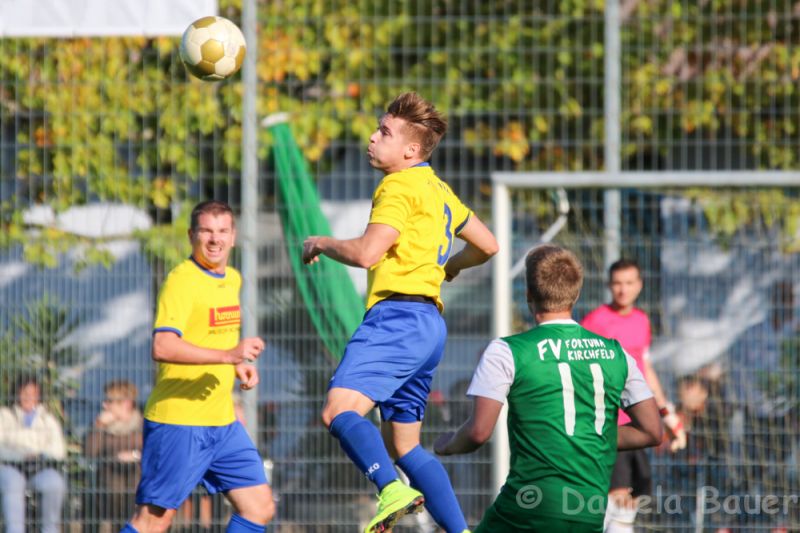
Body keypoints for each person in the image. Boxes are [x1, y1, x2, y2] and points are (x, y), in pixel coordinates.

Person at [303, 92, 498, 533]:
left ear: (410, 150)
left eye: (384, 132)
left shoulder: (397, 186)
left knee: (337, 410)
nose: (373, 138)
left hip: (395, 319)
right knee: (404, 445)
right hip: (429, 326)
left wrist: (321, 242)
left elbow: (367, 253)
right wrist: (450, 267)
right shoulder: (438, 189)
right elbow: (488, 245)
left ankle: (390, 490)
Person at [434, 244, 663, 532]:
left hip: (528, 507)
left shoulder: (507, 351)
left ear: (529, 294)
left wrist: (447, 444)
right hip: (588, 510)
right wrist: (584, 436)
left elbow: (478, 432)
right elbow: (652, 431)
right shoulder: (617, 354)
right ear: (576, 294)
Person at [121, 200, 274, 533]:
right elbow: (162, 346)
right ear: (192, 235)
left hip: (222, 422)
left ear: (234, 236)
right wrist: (228, 356)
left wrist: (236, 365)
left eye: (222, 231)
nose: (215, 239)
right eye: (206, 231)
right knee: (153, 521)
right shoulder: (181, 281)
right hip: (179, 422)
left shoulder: (232, 279)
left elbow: (211, 336)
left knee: (259, 507)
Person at [580, 258, 686, 533]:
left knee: (632, 499)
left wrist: (667, 414)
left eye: (629, 283)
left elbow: (644, 370)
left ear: (639, 285)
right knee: (616, 501)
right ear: (608, 285)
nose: (623, 289)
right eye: (617, 283)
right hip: (609, 427)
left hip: (638, 425)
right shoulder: (594, 322)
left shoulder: (641, 320)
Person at [0, 375, 67, 533]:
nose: (29, 398)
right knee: (14, 483)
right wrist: (20, 455)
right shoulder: (4, 415)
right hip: (9, 466)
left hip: (39, 466)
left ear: (39, 396)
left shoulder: (48, 419)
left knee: (55, 483)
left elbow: (59, 450)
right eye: (25, 393)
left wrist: (40, 454)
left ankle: (50, 530)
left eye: (34, 394)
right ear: (17, 393)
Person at [84, 379, 144, 533]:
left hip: (136, 478)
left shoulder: (142, 424)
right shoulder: (102, 425)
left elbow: (154, 452)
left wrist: (134, 455)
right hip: (109, 481)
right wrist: (99, 425)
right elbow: (89, 452)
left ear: (126, 403)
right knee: (113, 482)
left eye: (110, 401)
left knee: (132, 477)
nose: (105, 405)